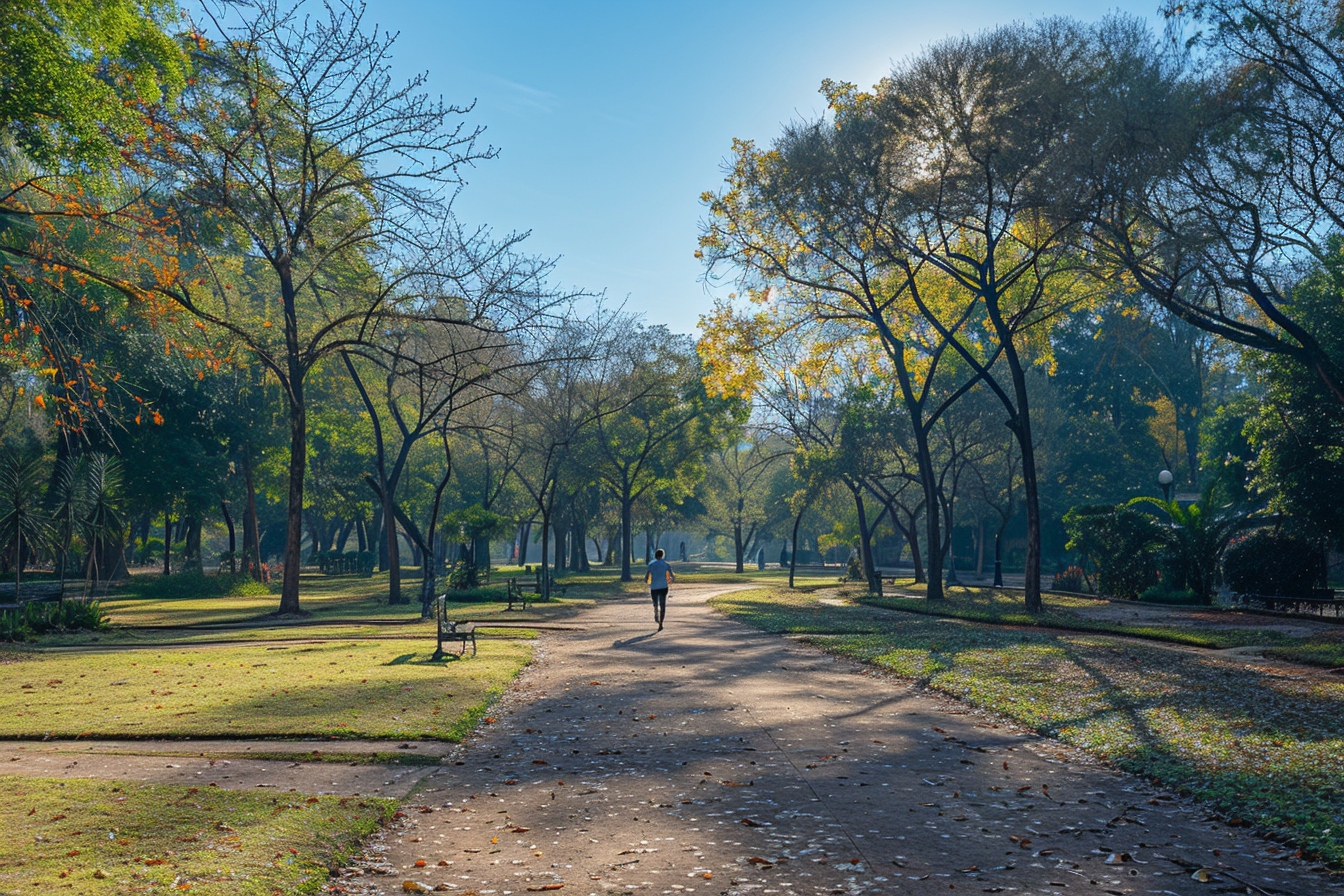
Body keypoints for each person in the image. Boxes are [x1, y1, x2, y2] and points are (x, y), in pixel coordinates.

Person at [644, 548, 675, 630]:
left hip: (654, 587)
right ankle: (661, 623)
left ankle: (655, 611)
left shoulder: (651, 564)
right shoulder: (666, 564)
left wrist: (647, 581)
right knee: (663, 605)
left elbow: (646, 577)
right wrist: (670, 579)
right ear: (662, 555)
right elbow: (672, 576)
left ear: (655, 555)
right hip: (663, 587)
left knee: (655, 603)